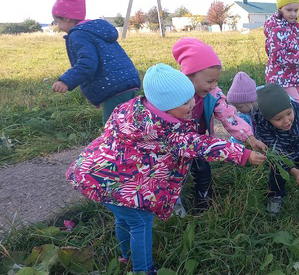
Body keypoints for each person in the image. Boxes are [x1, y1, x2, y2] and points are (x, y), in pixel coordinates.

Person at [66, 63, 266, 274]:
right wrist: (242, 154)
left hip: (98, 176)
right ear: (163, 105)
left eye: (191, 98)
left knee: (125, 218)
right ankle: (143, 269)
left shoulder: (134, 109)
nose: (191, 105)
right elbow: (202, 145)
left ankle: (125, 257)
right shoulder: (166, 131)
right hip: (117, 183)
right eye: (185, 102)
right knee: (141, 222)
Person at [172, 37, 267, 212]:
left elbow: (229, 116)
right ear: (188, 75)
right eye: (209, 81)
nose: (214, 85)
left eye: (216, 81)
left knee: (202, 170)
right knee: (174, 175)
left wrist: (250, 137)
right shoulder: (172, 96)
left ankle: (203, 199)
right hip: (174, 144)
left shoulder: (213, 95)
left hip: (199, 142)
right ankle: (173, 204)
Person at [51, 0, 140, 125]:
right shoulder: (93, 29)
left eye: (57, 21)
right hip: (127, 81)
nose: (57, 26)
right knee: (128, 123)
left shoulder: (78, 34)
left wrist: (65, 81)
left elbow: (87, 64)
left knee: (113, 126)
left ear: (67, 18)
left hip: (114, 87)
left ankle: (115, 146)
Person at [253, 83, 299, 215]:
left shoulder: (296, 110)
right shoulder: (263, 125)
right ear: (268, 119)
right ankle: (276, 196)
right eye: (278, 119)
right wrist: (294, 171)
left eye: (288, 114)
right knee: (277, 174)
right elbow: (276, 151)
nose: (286, 121)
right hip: (279, 153)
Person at [227, 72, 260, 144]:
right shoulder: (243, 115)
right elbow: (239, 131)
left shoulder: (263, 109)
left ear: (251, 102)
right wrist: (233, 147)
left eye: (240, 107)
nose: (238, 110)